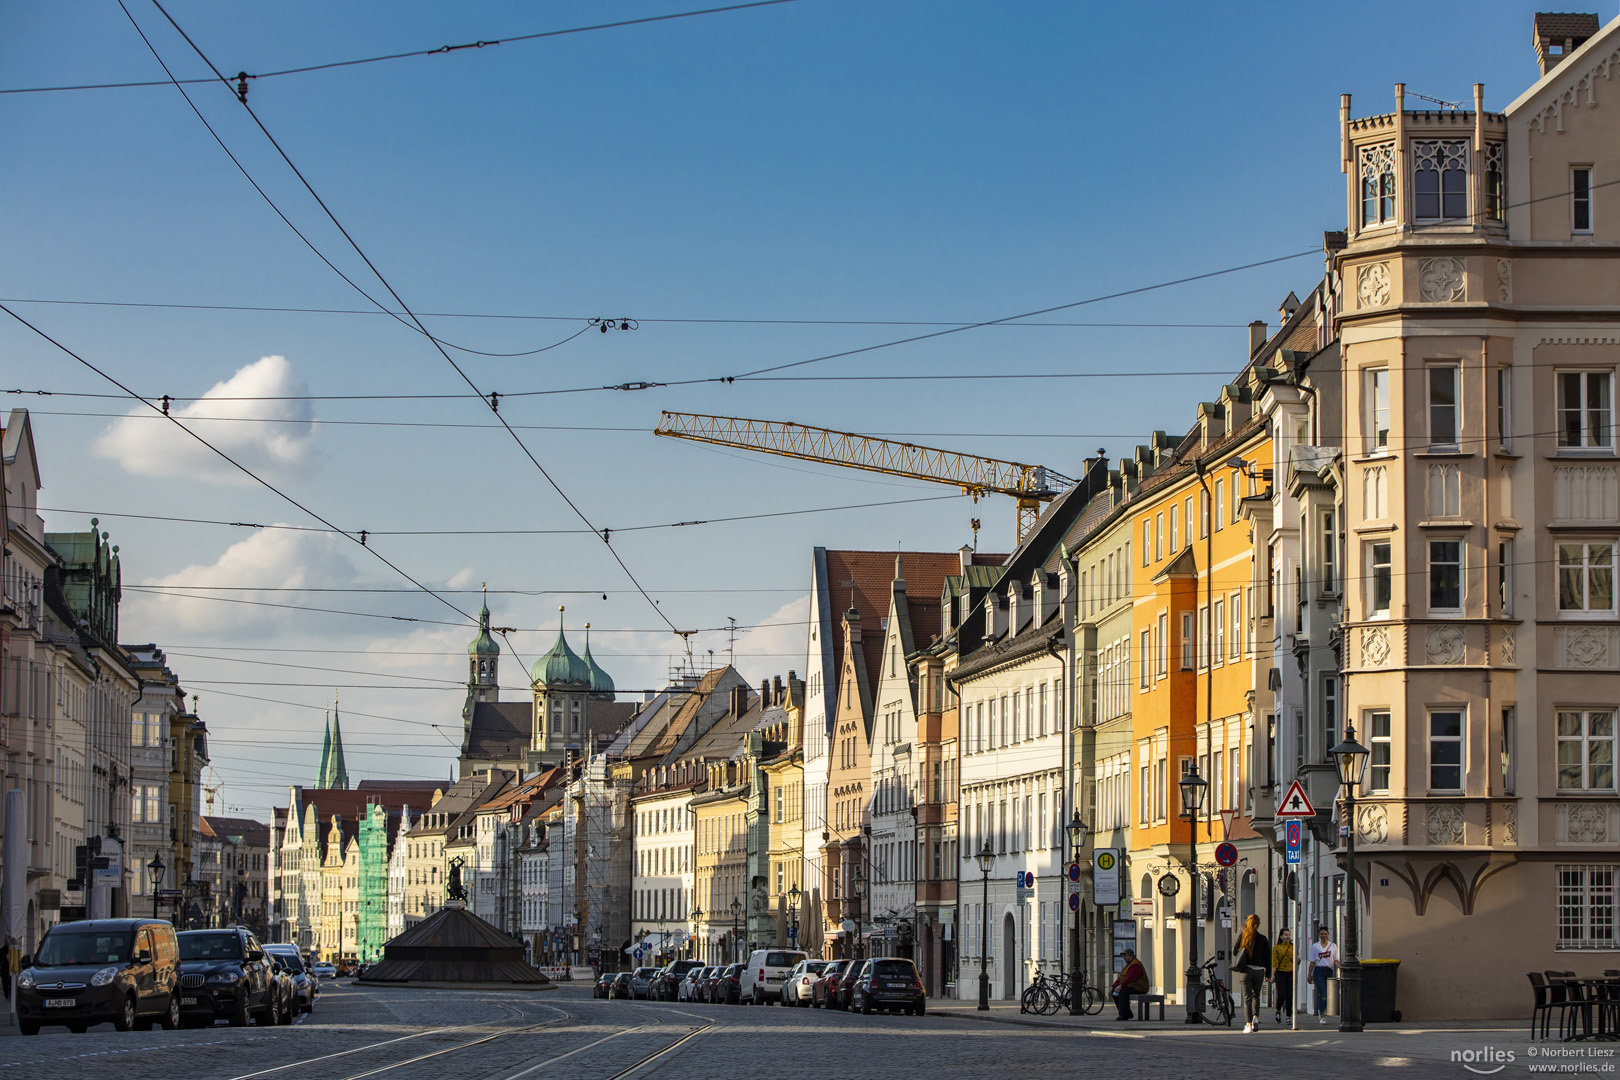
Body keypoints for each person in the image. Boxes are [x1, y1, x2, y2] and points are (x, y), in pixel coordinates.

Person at [1231, 914, 1271, 1033]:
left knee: (1247, 998)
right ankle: (1255, 1018)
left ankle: (1248, 1024)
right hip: (1259, 971)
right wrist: (1268, 973)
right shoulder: (1263, 939)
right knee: (1256, 996)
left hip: (1246, 971)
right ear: (1258, 925)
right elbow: (1268, 957)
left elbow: (1234, 952)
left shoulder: (1243, 936)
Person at [1307, 926, 1340, 1023]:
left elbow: (1336, 960)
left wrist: (1340, 967)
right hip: (1319, 971)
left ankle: (1322, 1009)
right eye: (1321, 934)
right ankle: (1322, 1014)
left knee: (1328, 993)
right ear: (1319, 935)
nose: (1323, 936)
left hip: (1329, 970)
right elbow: (1312, 962)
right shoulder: (1315, 947)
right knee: (1323, 992)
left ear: (1328, 934)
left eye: (1325, 934)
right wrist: (1309, 974)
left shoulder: (1333, 946)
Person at [1111, 948, 1149, 1019]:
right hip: (1132, 986)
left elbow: (1131, 978)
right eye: (1123, 956)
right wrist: (1113, 987)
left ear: (1130, 956)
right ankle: (1126, 1013)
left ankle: (1124, 1014)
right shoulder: (1128, 964)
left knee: (1123, 992)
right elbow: (1121, 977)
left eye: (1125, 955)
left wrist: (1121, 986)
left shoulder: (1135, 964)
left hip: (1139, 987)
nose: (1124, 957)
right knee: (1114, 992)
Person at [1271, 928, 1295, 1024]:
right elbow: (1275, 962)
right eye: (1285, 935)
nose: (1287, 936)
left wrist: (1297, 958)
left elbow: (1297, 961)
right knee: (1282, 995)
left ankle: (1288, 1016)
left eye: (1289, 935)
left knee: (1289, 995)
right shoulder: (1277, 948)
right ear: (1281, 937)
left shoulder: (1293, 947)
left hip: (1290, 972)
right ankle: (1278, 1010)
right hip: (1280, 972)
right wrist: (1273, 975)